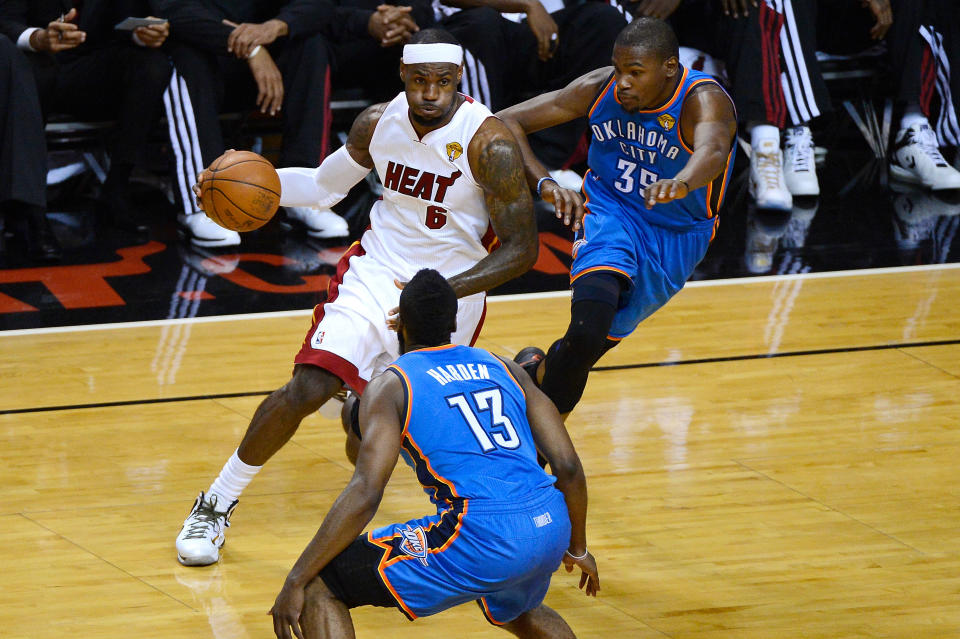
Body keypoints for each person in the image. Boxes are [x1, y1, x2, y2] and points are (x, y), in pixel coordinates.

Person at [175, 28, 539, 566]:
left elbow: (522, 250)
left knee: (396, 430)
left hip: (449, 291)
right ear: (403, 77)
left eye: (442, 82)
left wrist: (442, 291)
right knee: (308, 385)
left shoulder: (491, 145)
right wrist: (252, 181)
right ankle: (216, 501)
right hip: (377, 270)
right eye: (420, 81)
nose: (431, 93)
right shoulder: (378, 123)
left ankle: (449, 493)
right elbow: (324, 188)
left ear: (458, 79)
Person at [268, 268, 597, 639]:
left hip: (481, 533)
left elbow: (366, 492)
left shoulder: (392, 384)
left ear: (399, 325)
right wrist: (579, 547)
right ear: (454, 322)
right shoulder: (504, 367)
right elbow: (567, 467)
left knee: (318, 585)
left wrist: (296, 577)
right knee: (515, 607)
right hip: (549, 526)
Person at [497, 18, 737, 417]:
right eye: (619, 68)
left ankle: (531, 374)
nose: (622, 81)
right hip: (610, 211)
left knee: (583, 350)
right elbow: (505, 121)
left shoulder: (704, 100)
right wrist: (545, 183)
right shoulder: (599, 87)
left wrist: (681, 182)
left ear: (669, 70)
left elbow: (712, 151)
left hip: (678, 236)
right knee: (587, 329)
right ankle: (539, 454)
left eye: (635, 72)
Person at [0, 0, 172, 256]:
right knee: (36, 70)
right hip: (31, 62)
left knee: (151, 66)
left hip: (89, 67)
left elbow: (127, 19)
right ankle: (29, 211)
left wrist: (143, 33)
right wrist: (36, 38)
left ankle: (117, 187)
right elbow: (5, 18)